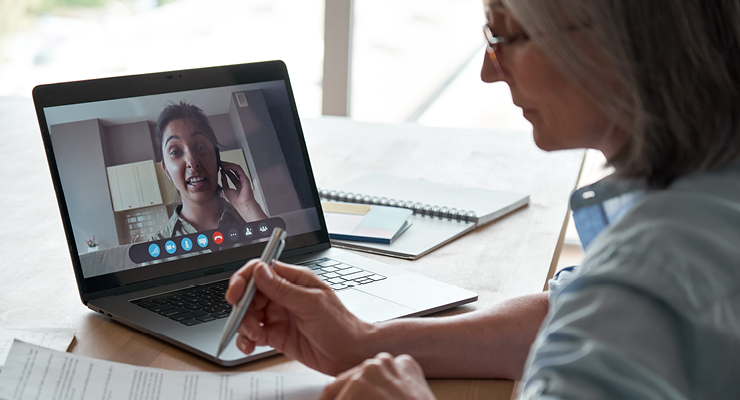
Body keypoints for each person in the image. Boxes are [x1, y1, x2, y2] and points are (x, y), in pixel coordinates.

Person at [225, 0, 740, 398]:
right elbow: (571, 313)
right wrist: (363, 341)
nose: (489, 71)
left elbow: (615, 307)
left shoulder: (650, 269)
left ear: (614, 36)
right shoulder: (707, 196)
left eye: (504, 34)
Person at [152, 102, 268, 240]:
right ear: (166, 170)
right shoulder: (158, 244)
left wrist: (248, 207)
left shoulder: (249, 220)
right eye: (175, 151)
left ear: (217, 157)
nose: (192, 163)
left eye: (200, 147)